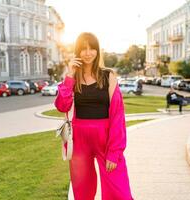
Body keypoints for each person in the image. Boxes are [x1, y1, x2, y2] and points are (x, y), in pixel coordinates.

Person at [54, 32, 133, 200]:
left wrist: (114, 151)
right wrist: (69, 76)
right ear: (77, 52)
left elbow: (118, 115)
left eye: (92, 48)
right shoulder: (72, 77)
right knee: (82, 190)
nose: (88, 53)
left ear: (97, 51)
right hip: (79, 139)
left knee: (119, 190)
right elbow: (62, 106)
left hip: (105, 138)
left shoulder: (108, 76)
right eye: (83, 49)